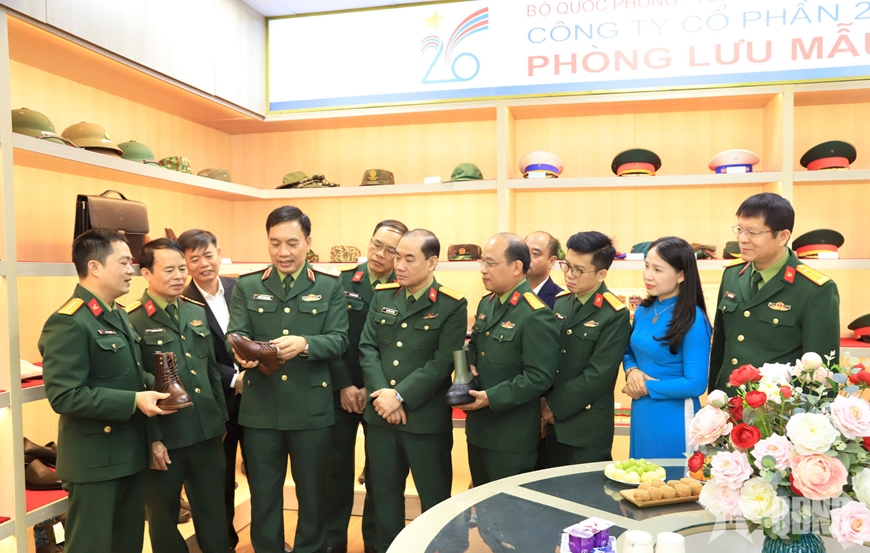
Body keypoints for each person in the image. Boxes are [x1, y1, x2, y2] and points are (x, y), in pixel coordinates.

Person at [38, 229, 171, 553]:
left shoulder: (117, 314)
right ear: (94, 266)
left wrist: (164, 386)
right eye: (123, 262)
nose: (131, 270)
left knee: (128, 545)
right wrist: (134, 401)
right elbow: (65, 395)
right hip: (95, 463)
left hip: (130, 455)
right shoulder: (69, 321)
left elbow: (129, 377)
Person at [226, 206, 348, 553]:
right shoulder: (248, 284)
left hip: (311, 410)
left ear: (308, 243)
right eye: (275, 242)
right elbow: (235, 333)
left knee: (313, 497)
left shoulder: (328, 285)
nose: (283, 252)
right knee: (264, 497)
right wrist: (240, 351)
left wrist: (306, 343)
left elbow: (340, 339)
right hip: (261, 409)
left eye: (292, 243)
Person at [359, 229, 468, 551]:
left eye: (409, 258)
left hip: (425, 421)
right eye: (397, 257)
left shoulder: (451, 304)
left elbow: (442, 362)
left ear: (432, 262)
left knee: (435, 502)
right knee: (384, 501)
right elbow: (367, 348)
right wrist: (383, 395)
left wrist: (399, 396)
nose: (399, 265)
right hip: (381, 419)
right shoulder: (383, 295)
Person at [126, 238, 230, 553]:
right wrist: (152, 439)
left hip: (206, 431)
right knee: (163, 517)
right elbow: (136, 386)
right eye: (169, 270)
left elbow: (210, 371)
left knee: (214, 512)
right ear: (146, 273)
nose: (179, 276)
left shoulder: (194, 310)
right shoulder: (133, 320)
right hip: (166, 438)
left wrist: (220, 419)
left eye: (182, 269)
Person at [328, 219, 408, 553]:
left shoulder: (406, 286)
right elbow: (330, 337)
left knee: (382, 475)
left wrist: (374, 389)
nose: (380, 254)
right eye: (377, 244)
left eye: (391, 250)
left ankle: (377, 544)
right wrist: (345, 385)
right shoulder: (341, 282)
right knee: (335, 472)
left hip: (383, 395)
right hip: (342, 392)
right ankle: (333, 543)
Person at [708, 193, 840, 393]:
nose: (742, 239)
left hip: (776, 408)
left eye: (753, 232)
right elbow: (720, 347)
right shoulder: (733, 274)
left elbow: (821, 374)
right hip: (727, 399)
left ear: (783, 237)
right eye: (740, 229)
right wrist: (714, 396)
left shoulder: (815, 289)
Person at [457, 233, 559, 485]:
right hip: (478, 430)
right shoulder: (487, 303)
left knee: (509, 509)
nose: (483, 270)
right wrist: (468, 363)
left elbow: (539, 377)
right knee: (481, 504)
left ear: (516, 267)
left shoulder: (535, 314)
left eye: (491, 263)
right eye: (482, 262)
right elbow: (475, 345)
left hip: (510, 437)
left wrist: (491, 397)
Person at [178, 228, 252, 552]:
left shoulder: (241, 289)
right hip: (216, 406)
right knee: (218, 483)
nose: (204, 264)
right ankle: (226, 545)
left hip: (256, 398)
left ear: (219, 254)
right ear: (185, 263)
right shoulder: (182, 300)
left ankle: (267, 541)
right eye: (194, 259)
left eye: (208, 255)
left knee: (263, 476)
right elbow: (192, 358)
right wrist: (234, 379)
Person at [542, 231, 631, 466]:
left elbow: (597, 375)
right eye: (567, 266)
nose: (569, 275)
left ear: (602, 274)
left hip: (586, 425)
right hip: (550, 423)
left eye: (579, 270)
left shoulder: (614, 314)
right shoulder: (562, 302)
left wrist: (551, 406)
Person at [623, 236, 711, 458]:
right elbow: (629, 350)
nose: (648, 275)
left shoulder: (693, 319)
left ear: (681, 275)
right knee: (640, 474)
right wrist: (632, 371)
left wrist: (647, 387)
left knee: (671, 478)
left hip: (675, 416)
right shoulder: (644, 309)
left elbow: (696, 384)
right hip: (642, 410)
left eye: (657, 270)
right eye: (646, 266)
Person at [524, 231, 564, 310]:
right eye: (525, 252)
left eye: (535, 254)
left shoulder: (561, 300)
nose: (527, 258)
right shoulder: (511, 291)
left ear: (551, 261)